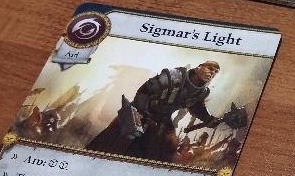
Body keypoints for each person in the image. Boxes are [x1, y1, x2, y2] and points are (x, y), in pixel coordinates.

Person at [86, 61, 220, 163]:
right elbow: (145, 91)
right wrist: (142, 112)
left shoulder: (202, 92)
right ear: (199, 67)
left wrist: (208, 119)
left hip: (163, 119)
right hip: (142, 111)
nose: (212, 73)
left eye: (215, 72)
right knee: (117, 142)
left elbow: (196, 108)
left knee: (168, 146)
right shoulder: (174, 76)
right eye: (210, 68)